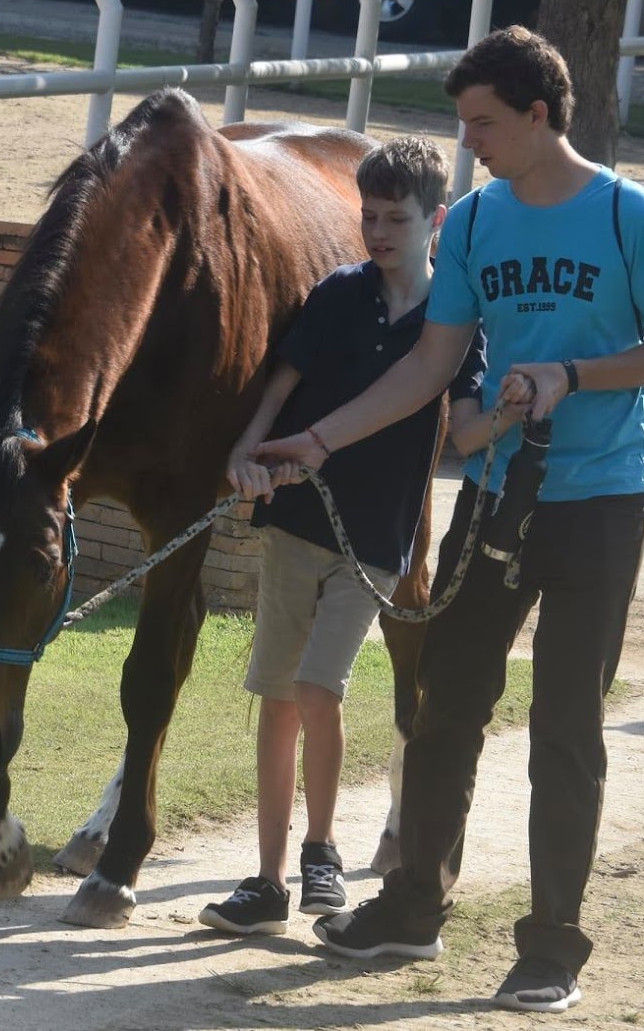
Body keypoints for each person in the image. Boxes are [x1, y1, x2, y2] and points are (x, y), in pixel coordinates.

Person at [252, 26, 644, 1013]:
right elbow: (426, 366)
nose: (471, 144)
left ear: (541, 114)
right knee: (445, 701)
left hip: (602, 497)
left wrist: (574, 374)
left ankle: (550, 947)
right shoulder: (472, 226)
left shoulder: (632, 218)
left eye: (484, 123)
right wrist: (318, 440)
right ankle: (413, 907)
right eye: (464, 125)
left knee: (564, 725)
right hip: (496, 494)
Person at [198, 137, 483, 937]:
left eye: (398, 217)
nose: (379, 231)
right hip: (294, 521)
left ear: (438, 220)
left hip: (377, 539)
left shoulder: (456, 317)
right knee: (278, 699)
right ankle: (266, 881)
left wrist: (521, 412)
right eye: (370, 214)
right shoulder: (338, 292)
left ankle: (321, 849)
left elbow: (464, 422)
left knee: (320, 689)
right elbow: (280, 383)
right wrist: (244, 452)